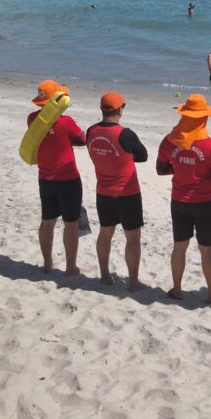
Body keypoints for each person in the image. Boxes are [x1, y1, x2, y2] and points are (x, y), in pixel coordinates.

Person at [156, 94, 211, 302]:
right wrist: (203, 171)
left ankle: (177, 289)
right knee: (207, 249)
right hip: (205, 202)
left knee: (179, 246)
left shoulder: (169, 141)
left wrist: (180, 168)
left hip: (179, 201)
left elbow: (161, 169)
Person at [86, 92, 149, 291]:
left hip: (103, 192)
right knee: (132, 237)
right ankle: (133, 281)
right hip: (126, 193)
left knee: (105, 233)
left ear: (101, 109)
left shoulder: (91, 131)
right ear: (120, 109)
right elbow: (143, 155)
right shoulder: (125, 134)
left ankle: (105, 275)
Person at [27, 81, 86, 275]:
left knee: (47, 221)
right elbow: (82, 139)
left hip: (45, 178)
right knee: (71, 223)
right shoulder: (66, 122)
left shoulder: (31, 120)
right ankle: (71, 267)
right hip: (68, 178)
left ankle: (47, 263)